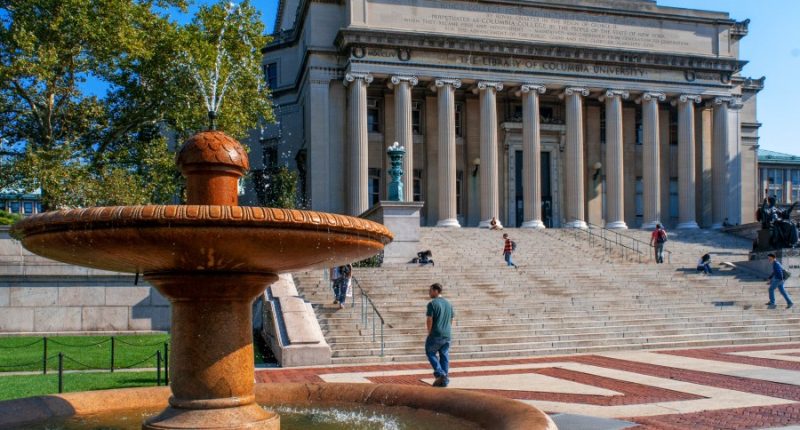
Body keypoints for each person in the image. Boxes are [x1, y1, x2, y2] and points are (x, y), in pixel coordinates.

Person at [425, 283, 454, 387]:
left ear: (436, 291)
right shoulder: (449, 304)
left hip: (436, 334)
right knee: (444, 355)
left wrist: (429, 331)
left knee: (430, 352)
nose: (429, 292)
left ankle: (440, 373)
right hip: (447, 334)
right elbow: (451, 319)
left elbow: (429, 319)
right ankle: (445, 380)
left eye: (431, 290)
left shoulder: (432, 304)